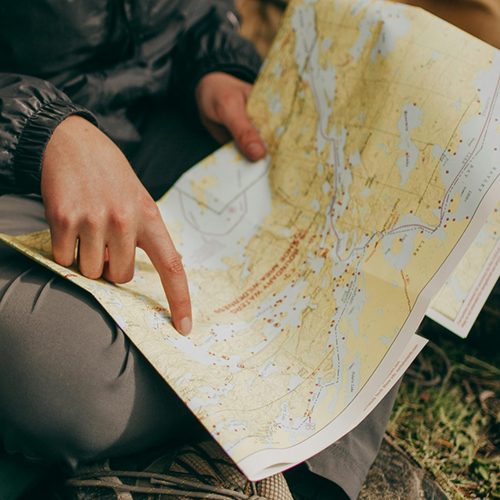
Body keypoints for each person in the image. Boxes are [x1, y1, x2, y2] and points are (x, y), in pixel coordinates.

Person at [0, 1, 401, 498]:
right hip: (17, 166)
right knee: (54, 370)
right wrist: (42, 132)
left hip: (163, 118)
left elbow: (191, 12)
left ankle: (295, 483)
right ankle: (244, 434)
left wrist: (213, 65)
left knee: (367, 234)